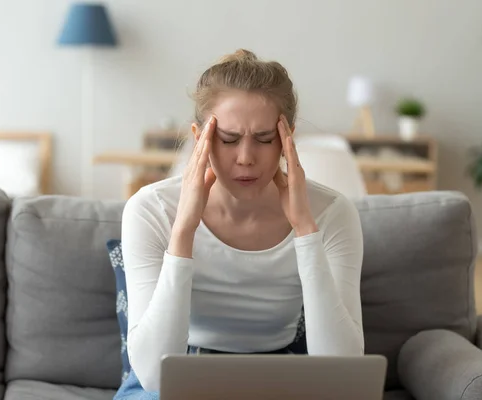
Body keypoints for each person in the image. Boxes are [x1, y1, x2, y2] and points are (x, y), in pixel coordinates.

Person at [114, 49, 365, 400]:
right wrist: (183, 231)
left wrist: (306, 230)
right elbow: (155, 376)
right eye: (229, 139)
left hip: (281, 371)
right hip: (180, 374)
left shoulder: (331, 212)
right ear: (198, 137)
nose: (246, 158)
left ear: (287, 138)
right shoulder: (151, 209)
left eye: (264, 139)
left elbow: (341, 370)